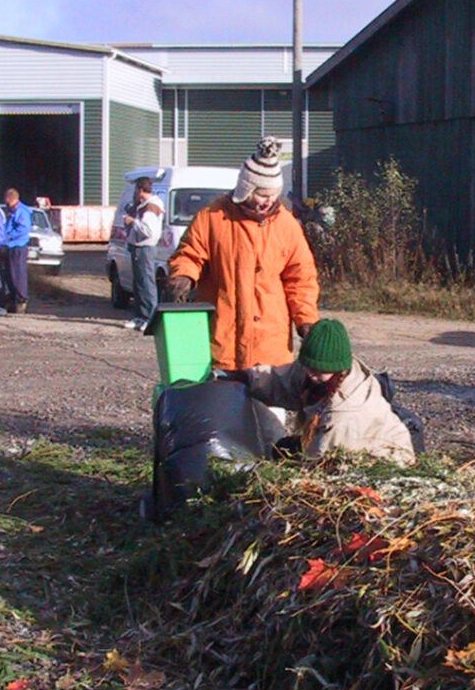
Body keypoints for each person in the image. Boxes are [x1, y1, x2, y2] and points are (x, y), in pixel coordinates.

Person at [166, 136, 319, 370]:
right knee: (222, 406)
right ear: (246, 189)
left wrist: (306, 320)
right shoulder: (212, 217)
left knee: (269, 408)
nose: (268, 202)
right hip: (222, 342)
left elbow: (301, 279)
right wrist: (183, 276)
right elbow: (189, 253)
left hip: (270, 349)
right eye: (261, 195)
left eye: (273, 195)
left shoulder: (287, 226)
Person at [242, 319, 416, 467]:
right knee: (284, 448)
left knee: (287, 457)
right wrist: (246, 376)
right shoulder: (318, 371)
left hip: (378, 460)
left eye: (317, 371)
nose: (310, 374)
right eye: (308, 367)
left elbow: (321, 462)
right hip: (339, 443)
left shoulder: (345, 415)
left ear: (336, 367)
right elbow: (283, 381)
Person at [122, 176, 164, 330]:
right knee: (138, 284)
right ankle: (139, 316)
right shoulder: (142, 205)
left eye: (136, 190)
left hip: (146, 248)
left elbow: (148, 230)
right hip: (137, 247)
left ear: (140, 190)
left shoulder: (151, 207)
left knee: (147, 283)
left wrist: (132, 222)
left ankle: (150, 318)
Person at [2, 188, 32, 313]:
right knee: (9, 275)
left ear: (12, 199)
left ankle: (21, 301)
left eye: (7, 202)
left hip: (18, 246)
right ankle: (11, 300)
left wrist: (8, 236)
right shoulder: (11, 210)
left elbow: (23, 229)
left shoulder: (22, 212)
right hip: (10, 246)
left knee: (18, 275)